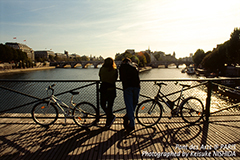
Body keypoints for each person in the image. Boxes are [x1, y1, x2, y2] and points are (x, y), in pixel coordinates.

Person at [119, 58, 140, 132]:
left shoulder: (122, 67)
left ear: (124, 61)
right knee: (135, 103)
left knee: (129, 105)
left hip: (127, 87)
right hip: (136, 87)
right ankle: (128, 116)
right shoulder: (135, 65)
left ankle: (132, 124)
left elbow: (121, 78)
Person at [99, 57, 118, 129]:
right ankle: (109, 119)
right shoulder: (115, 70)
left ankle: (110, 117)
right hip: (112, 89)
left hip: (103, 89)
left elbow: (100, 78)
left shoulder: (102, 69)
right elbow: (115, 79)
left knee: (102, 104)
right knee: (110, 106)